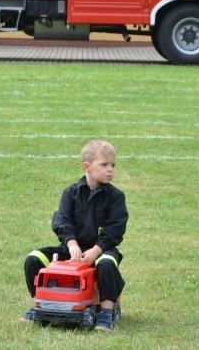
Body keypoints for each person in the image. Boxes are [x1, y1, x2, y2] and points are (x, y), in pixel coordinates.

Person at [22, 139, 128, 331]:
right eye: (104, 165)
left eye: (113, 165)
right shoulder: (70, 193)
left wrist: (97, 250)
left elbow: (116, 228)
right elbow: (61, 220)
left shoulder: (116, 197)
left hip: (102, 250)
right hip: (71, 251)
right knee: (33, 258)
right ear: (86, 166)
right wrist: (71, 244)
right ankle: (40, 304)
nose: (110, 169)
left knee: (106, 263)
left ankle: (105, 313)